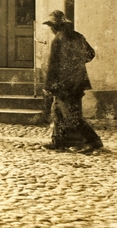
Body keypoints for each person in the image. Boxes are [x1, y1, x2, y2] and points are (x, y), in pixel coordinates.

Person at [42, 10, 104, 153]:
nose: (51, 28)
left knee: (71, 116)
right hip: (78, 81)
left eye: (51, 25)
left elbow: (53, 66)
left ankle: (93, 141)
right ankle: (58, 142)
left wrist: (48, 86)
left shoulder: (58, 39)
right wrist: (77, 65)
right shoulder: (78, 36)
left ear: (56, 25)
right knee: (57, 111)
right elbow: (90, 54)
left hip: (64, 84)